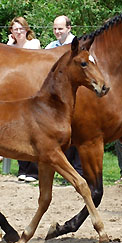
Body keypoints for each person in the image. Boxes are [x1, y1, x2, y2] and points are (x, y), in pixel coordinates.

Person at [0, 16, 41, 183]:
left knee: (33, 129)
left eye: (21, 29)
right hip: (15, 92)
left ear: (26, 29)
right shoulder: (11, 46)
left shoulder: (33, 44)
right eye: (15, 29)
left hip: (32, 88)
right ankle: (23, 169)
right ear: (11, 32)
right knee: (19, 129)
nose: (18, 32)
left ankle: (34, 171)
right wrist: (9, 44)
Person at [44, 15, 84, 178]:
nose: (57, 32)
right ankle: (67, 172)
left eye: (60, 28)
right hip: (60, 97)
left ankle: (79, 171)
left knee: (77, 131)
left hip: (78, 95)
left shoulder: (78, 46)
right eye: (54, 29)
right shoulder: (51, 47)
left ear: (69, 28)